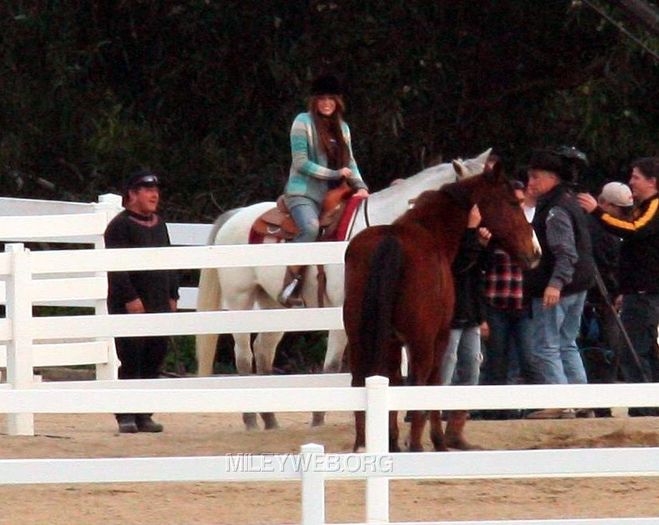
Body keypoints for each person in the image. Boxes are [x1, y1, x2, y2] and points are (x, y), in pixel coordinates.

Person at [577, 158, 659, 417]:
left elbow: (634, 229)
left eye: (636, 177)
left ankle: (644, 408)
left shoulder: (654, 206)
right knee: (639, 348)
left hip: (646, 293)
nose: (631, 182)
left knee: (635, 349)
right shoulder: (644, 205)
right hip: (637, 291)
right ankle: (645, 405)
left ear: (652, 181)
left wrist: (596, 212)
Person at [278, 74, 369, 307]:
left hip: (333, 194)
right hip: (303, 193)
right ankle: (289, 285)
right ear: (315, 101)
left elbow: (351, 162)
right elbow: (300, 162)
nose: (327, 103)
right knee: (310, 227)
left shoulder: (343, 128)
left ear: (338, 101)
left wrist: (361, 187)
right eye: (322, 99)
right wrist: (334, 174)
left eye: (331, 98)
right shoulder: (302, 122)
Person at [105, 169, 179, 433]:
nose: (154, 195)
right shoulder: (119, 226)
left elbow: (169, 259)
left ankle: (144, 413)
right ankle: (126, 414)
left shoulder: (159, 223)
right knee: (131, 357)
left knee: (154, 357)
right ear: (133, 194)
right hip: (130, 304)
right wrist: (130, 298)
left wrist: (173, 294)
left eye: (155, 190)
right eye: (147, 190)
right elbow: (116, 267)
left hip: (158, 301)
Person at [523, 147, 594, 419]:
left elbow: (565, 252)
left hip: (558, 287)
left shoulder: (555, 209)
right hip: (579, 285)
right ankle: (582, 399)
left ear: (552, 177)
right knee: (567, 343)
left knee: (547, 345)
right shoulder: (568, 201)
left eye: (536, 177)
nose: (531, 183)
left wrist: (554, 284)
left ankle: (560, 402)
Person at [479, 181, 538, 419]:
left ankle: (534, 406)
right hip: (496, 303)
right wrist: (483, 246)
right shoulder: (493, 232)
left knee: (527, 357)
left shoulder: (527, 230)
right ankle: (496, 410)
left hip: (521, 304)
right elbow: (480, 270)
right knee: (497, 359)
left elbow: (535, 263)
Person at [440, 204, 491, 448]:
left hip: (468, 312)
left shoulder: (472, 236)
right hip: (452, 312)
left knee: (471, 368)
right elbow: (458, 267)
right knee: (445, 368)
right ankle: (433, 426)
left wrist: (481, 315)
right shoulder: (448, 235)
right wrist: (471, 234)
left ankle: (454, 429)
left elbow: (477, 274)